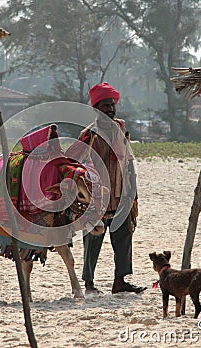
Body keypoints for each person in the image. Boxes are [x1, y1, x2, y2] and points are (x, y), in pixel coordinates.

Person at [67, 82, 147, 294]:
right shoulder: (88, 134)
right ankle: (89, 284)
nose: (111, 109)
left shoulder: (121, 129)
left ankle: (119, 282)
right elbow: (73, 161)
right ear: (96, 109)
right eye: (105, 106)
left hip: (121, 195)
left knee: (123, 238)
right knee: (92, 240)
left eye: (112, 105)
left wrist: (133, 192)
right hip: (97, 199)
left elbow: (128, 160)